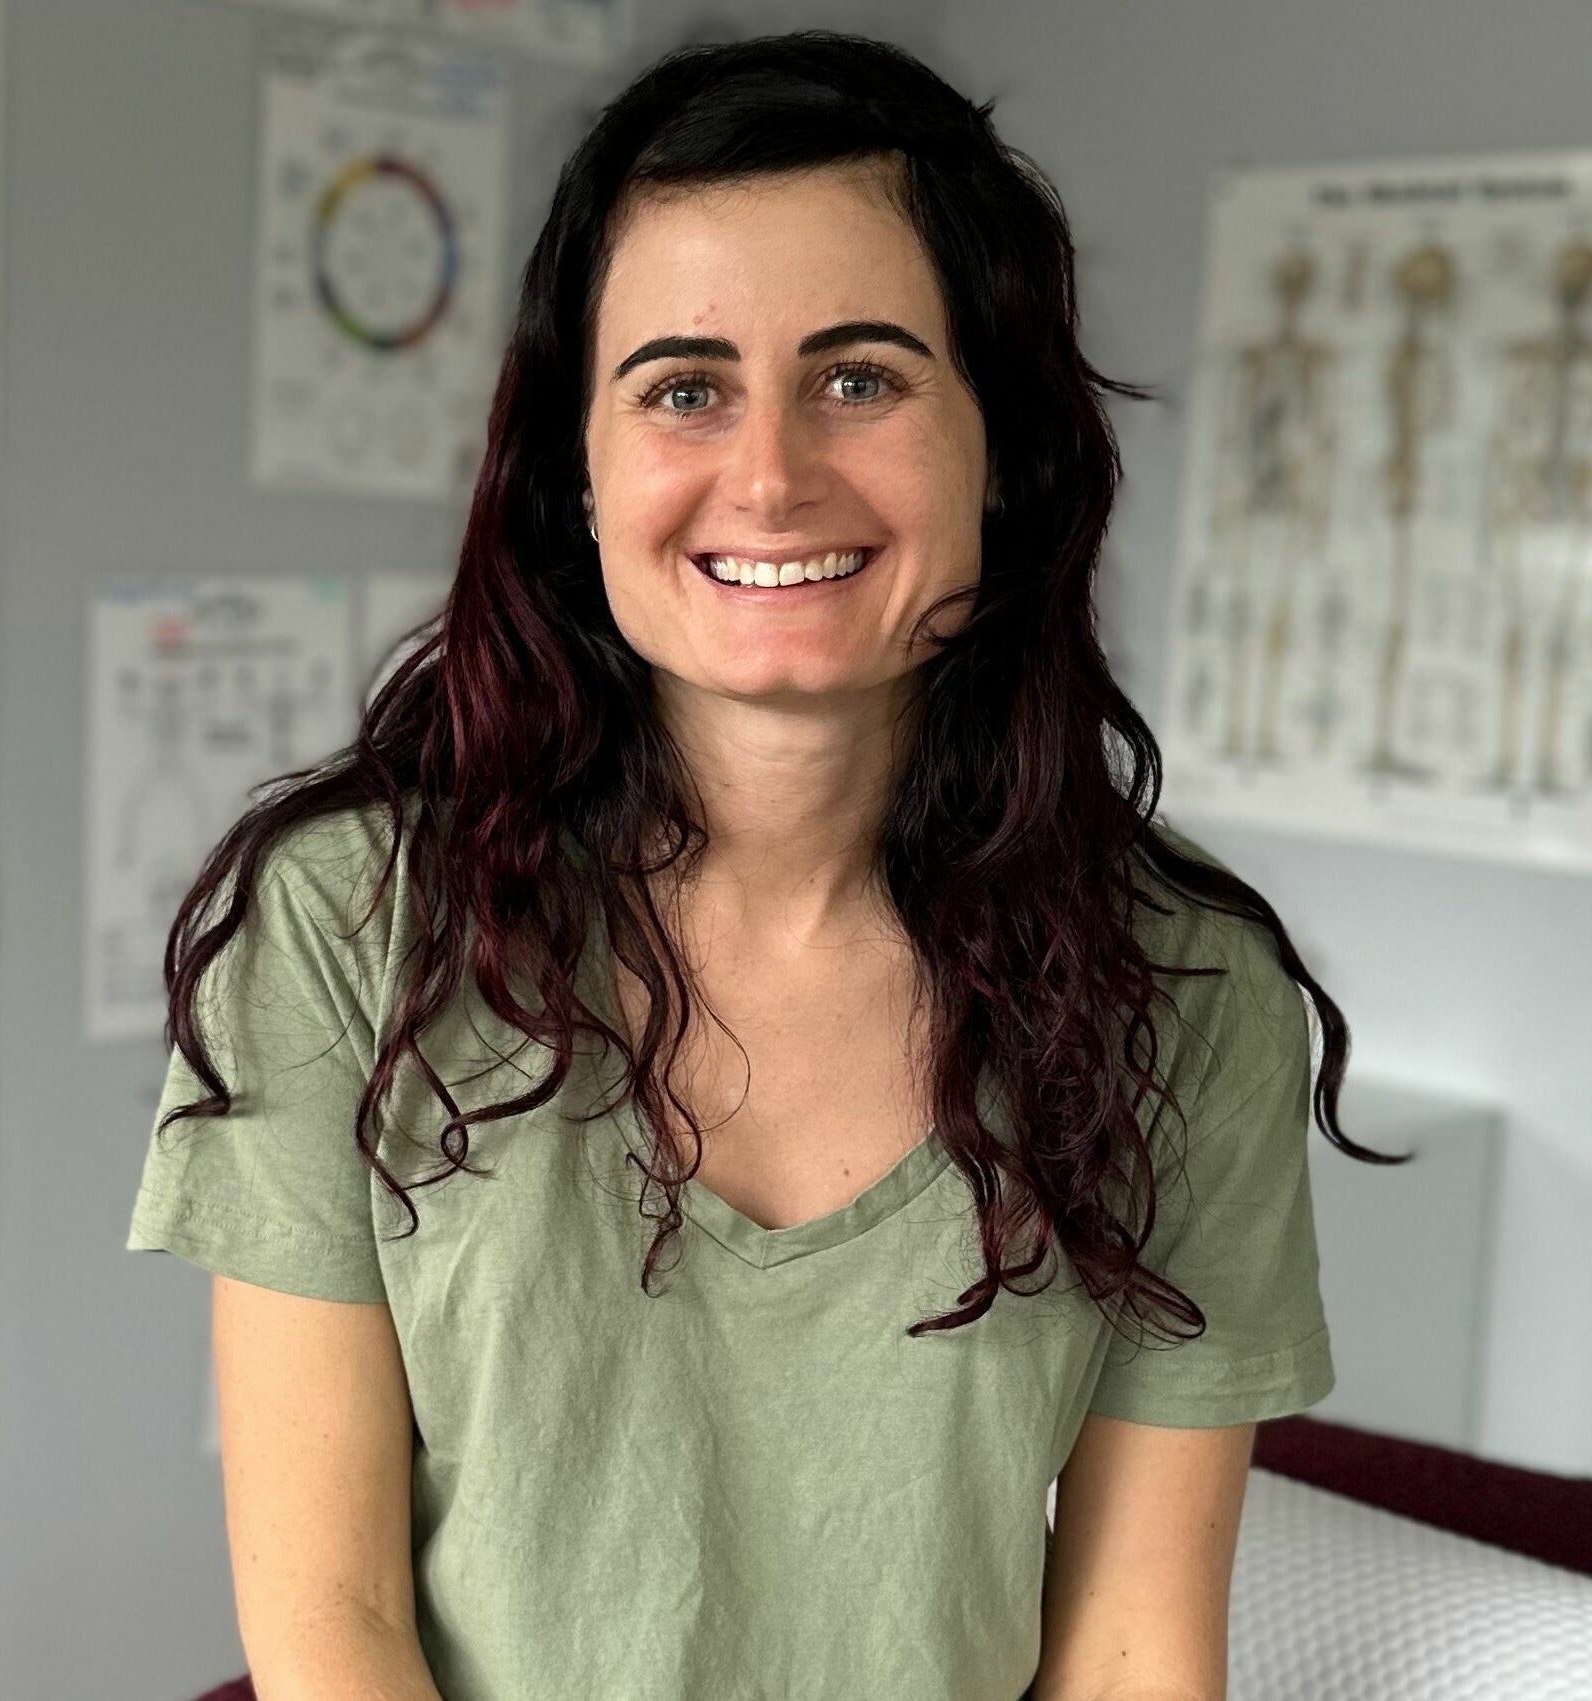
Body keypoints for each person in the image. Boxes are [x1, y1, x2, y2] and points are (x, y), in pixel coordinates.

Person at [125, 28, 1409, 1701]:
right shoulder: (344, 926)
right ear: (577, 473)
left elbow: (1128, 1654)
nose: (771, 475)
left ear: (1002, 451)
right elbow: (332, 1626)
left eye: (859, 377)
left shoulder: (1180, 988)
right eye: (684, 387)